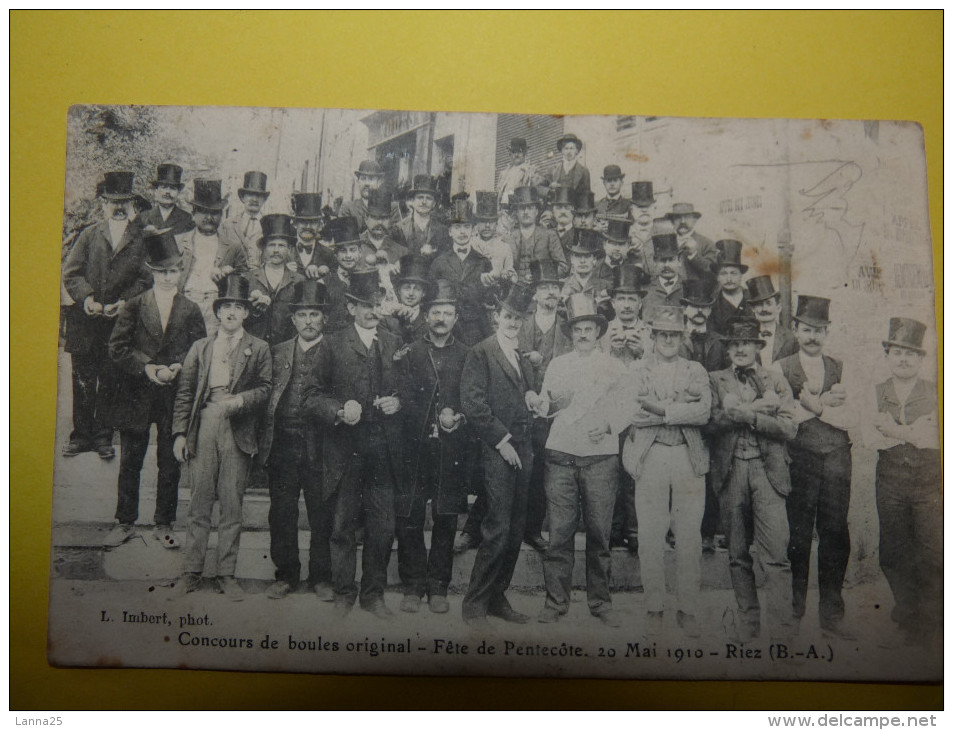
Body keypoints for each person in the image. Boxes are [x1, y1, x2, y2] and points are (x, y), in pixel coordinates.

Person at [304, 267, 406, 620]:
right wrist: (338, 410)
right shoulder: (333, 343)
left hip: (383, 448)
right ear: (350, 308)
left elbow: (407, 391)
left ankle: (373, 595)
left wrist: (398, 402)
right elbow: (310, 395)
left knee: (383, 526)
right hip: (345, 448)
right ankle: (344, 594)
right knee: (343, 525)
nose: (371, 311)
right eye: (364, 305)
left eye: (376, 304)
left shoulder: (393, 342)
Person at [170, 274, 273, 600]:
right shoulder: (201, 347)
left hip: (237, 427)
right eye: (226, 306)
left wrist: (241, 401)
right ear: (217, 311)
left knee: (231, 503)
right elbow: (185, 392)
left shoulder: (259, 348)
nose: (231, 312)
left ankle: (227, 574)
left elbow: (267, 389)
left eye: (238, 307)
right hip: (205, 423)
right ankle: (191, 571)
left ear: (246, 313)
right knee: (199, 502)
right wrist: (179, 434)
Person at [612, 305, 712, 637]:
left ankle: (688, 608)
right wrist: (678, 407)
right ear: (653, 337)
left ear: (682, 337)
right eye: (662, 334)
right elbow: (635, 414)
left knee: (689, 537)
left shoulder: (695, 369)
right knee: (651, 536)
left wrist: (660, 408)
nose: (668, 340)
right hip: (651, 454)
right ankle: (654, 607)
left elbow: (703, 412)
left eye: (674, 334)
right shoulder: (638, 368)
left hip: (687, 455)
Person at [105, 229, 206, 548]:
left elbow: (198, 348)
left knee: (169, 460)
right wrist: (148, 366)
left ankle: (165, 523)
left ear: (181, 271)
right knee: (131, 460)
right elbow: (117, 347)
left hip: (172, 396)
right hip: (136, 393)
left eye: (174, 270)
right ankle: (125, 522)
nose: (168, 276)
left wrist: (177, 365)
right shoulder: (134, 306)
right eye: (161, 271)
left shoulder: (190, 309)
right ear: (152, 271)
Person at [532, 293, 627, 627]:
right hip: (561, 456)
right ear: (570, 333)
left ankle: (600, 602)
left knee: (600, 535)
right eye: (578, 329)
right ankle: (556, 603)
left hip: (601, 458)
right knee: (559, 534)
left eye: (589, 328)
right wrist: (539, 404)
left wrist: (610, 424)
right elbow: (547, 403)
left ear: (599, 331)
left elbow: (628, 406)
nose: (584, 334)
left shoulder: (614, 366)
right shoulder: (558, 365)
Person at [708, 317, 798, 642]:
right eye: (734, 344)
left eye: (747, 343)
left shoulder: (775, 379)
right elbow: (708, 420)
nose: (740, 349)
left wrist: (752, 416)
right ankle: (748, 624)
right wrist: (738, 412)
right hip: (731, 472)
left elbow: (790, 427)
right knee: (737, 554)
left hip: (768, 471)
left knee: (776, 553)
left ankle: (783, 635)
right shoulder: (714, 380)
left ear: (758, 348)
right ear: (728, 350)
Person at [774, 295, 856, 640]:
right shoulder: (781, 366)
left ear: (828, 332)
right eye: (807, 329)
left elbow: (850, 417)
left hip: (837, 457)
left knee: (835, 533)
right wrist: (821, 404)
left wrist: (810, 404)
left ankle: (831, 616)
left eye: (819, 331)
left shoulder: (840, 366)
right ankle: (794, 611)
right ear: (795, 328)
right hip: (800, 457)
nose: (812, 336)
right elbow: (786, 414)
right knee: (798, 533)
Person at [459, 284, 537, 628]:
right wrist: (501, 440)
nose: (512, 323)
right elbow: (473, 403)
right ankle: (474, 604)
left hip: (524, 448)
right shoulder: (482, 351)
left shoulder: (522, 355)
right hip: (498, 450)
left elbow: (525, 393)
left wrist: (535, 396)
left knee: (516, 528)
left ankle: (496, 597)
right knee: (497, 527)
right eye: (508, 316)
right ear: (496, 317)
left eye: (518, 318)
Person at [62, 170, 152, 459]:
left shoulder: (140, 240)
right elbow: (71, 272)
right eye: (112, 200)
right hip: (86, 322)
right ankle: (80, 435)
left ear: (132, 205)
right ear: (103, 203)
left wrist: (125, 303)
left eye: (124, 201)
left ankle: (103, 436)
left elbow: (145, 279)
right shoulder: (89, 234)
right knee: (83, 377)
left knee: (112, 378)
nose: (118, 207)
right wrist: (86, 298)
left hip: (118, 322)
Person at [396, 280, 472, 614]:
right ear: (426, 316)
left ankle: (439, 587)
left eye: (448, 313)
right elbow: (401, 395)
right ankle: (413, 586)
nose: (442, 318)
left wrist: (458, 417)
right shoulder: (410, 351)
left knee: (445, 517)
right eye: (436, 312)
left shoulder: (467, 355)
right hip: (414, 447)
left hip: (451, 451)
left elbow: (473, 398)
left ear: (456, 318)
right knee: (410, 515)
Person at [864, 318, 940, 646]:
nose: (904, 359)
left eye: (910, 353)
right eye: (897, 352)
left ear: (921, 359)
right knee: (894, 550)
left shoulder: (937, 391)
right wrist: (913, 432)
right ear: (888, 356)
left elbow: (934, 439)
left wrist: (893, 429)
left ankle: (930, 619)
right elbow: (870, 437)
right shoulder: (876, 392)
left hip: (929, 480)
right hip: (891, 479)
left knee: (931, 550)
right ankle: (907, 614)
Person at [258, 280, 334, 601]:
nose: (308, 321)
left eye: (314, 314)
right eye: (302, 315)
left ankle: (321, 577)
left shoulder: (336, 351)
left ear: (324, 319)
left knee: (322, 513)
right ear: (292, 320)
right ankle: (286, 574)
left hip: (322, 447)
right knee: (282, 512)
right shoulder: (277, 353)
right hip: (284, 446)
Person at [518, 260, 574, 553]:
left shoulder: (567, 329)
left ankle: (533, 529)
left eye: (555, 288)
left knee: (543, 470)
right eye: (544, 288)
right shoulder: (521, 325)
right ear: (535, 294)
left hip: (554, 413)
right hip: (521, 409)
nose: (550, 293)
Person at [175, 179, 249, 336]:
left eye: (214, 212)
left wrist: (230, 273)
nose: (209, 217)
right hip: (185, 302)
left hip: (215, 307)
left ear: (221, 215)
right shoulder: (178, 242)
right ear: (193, 214)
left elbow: (245, 275)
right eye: (203, 211)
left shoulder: (232, 246)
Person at [429, 196, 495, 346]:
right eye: (457, 227)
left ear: (473, 230)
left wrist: (492, 285)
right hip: (446, 329)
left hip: (475, 329)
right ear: (450, 232)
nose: (462, 232)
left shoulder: (483, 262)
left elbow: (490, 299)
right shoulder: (439, 262)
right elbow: (431, 298)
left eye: (466, 227)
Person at [246, 213, 305, 347]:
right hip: (255, 348)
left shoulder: (299, 281)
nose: (276, 250)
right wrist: (254, 309)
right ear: (264, 248)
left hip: (286, 347)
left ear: (289, 249)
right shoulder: (249, 278)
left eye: (281, 245)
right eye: (272, 245)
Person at [506, 186, 568, 283]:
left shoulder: (549, 235)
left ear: (536, 211)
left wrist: (540, 275)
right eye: (522, 208)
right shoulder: (508, 238)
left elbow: (563, 266)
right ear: (516, 212)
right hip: (515, 288)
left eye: (530, 208)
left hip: (542, 286)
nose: (526, 212)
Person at [320, 216, 366, 334]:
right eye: (343, 251)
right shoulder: (323, 283)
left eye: (352, 250)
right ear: (335, 254)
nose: (348, 256)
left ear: (360, 253)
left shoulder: (368, 278)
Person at [660, 202, 718, 283]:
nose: (682, 221)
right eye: (678, 217)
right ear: (672, 221)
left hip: (696, 293)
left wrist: (693, 255)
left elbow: (713, 273)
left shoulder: (706, 243)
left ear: (694, 220)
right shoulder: (665, 243)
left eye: (687, 217)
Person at [394, 175, 449, 259]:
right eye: (420, 197)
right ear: (412, 201)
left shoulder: (443, 230)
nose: (424, 202)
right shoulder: (399, 228)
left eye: (429, 198)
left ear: (434, 203)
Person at [379, 254, 431, 346]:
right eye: (406, 288)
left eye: (417, 289)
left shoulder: (429, 319)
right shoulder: (387, 318)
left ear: (424, 293)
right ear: (399, 290)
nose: (411, 293)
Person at [746, 275, 797, 364]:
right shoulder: (746, 337)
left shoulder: (790, 339)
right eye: (759, 304)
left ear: (778, 307)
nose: (764, 309)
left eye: (768, 303)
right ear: (753, 309)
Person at [221, 171, 270, 266]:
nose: (254, 199)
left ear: (264, 200)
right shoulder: (228, 225)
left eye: (259, 195)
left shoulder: (270, 227)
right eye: (250, 194)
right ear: (243, 197)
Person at [471, 191, 516, 286]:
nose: (487, 226)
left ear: (496, 223)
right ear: (477, 223)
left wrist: (506, 275)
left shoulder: (504, 248)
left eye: (491, 221)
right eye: (483, 221)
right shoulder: (470, 244)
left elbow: (510, 272)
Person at [138, 163, 194, 235]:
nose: (167, 192)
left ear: (178, 193)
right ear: (156, 191)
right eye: (164, 187)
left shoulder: (187, 219)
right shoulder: (143, 217)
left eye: (173, 188)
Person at [709, 239, 750, 335]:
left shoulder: (752, 298)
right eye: (724, 274)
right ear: (718, 277)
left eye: (733, 273)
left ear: (741, 275)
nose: (729, 278)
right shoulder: (713, 303)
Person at [290, 192, 334, 278]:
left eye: (313, 222)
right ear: (295, 224)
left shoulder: (328, 254)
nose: (308, 227)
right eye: (303, 222)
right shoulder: (285, 251)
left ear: (320, 225)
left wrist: (327, 274)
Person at [359, 189, 408, 266]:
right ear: (366, 218)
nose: (379, 223)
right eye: (375, 217)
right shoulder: (355, 246)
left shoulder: (402, 252)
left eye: (384, 218)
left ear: (390, 219)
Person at [641, 234, 685, 314]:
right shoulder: (645, 290)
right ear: (655, 262)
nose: (666, 265)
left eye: (671, 260)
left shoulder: (688, 289)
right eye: (662, 260)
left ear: (680, 261)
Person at [340, 160, 385, 232]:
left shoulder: (389, 210)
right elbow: (347, 240)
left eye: (371, 179)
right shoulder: (348, 209)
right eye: (363, 178)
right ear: (358, 181)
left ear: (379, 182)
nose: (367, 183)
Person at [548, 133, 590, 200]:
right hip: (557, 207)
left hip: (575, 208)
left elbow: (587, 196)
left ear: (577, 151)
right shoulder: (553, 169)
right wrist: (550, 189)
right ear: (562, 151)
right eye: (566, 148)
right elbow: (540, 187)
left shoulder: (584, 171)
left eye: (572, 148)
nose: (569, 152)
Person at [497, 138, 537, 207]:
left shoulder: (529, 171)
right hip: (503, 208)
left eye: (520, 151)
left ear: (525, 153)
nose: (516, 155)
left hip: (518, 207)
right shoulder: (504, 173)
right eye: (514, 152)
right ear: (510, 153)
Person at [627, 181, 657, 268]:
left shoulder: (662, 232)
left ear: (654, 208)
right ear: (632, 210)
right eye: (640, 207)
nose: (644, 210)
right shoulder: (625, 234)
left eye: (647, 206)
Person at [548, 185, 576, 260]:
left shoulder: (579, 235)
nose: (563, 211)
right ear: (553, 211)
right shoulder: (546, 234)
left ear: (574, 211)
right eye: (559, 207)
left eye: (567, 207)